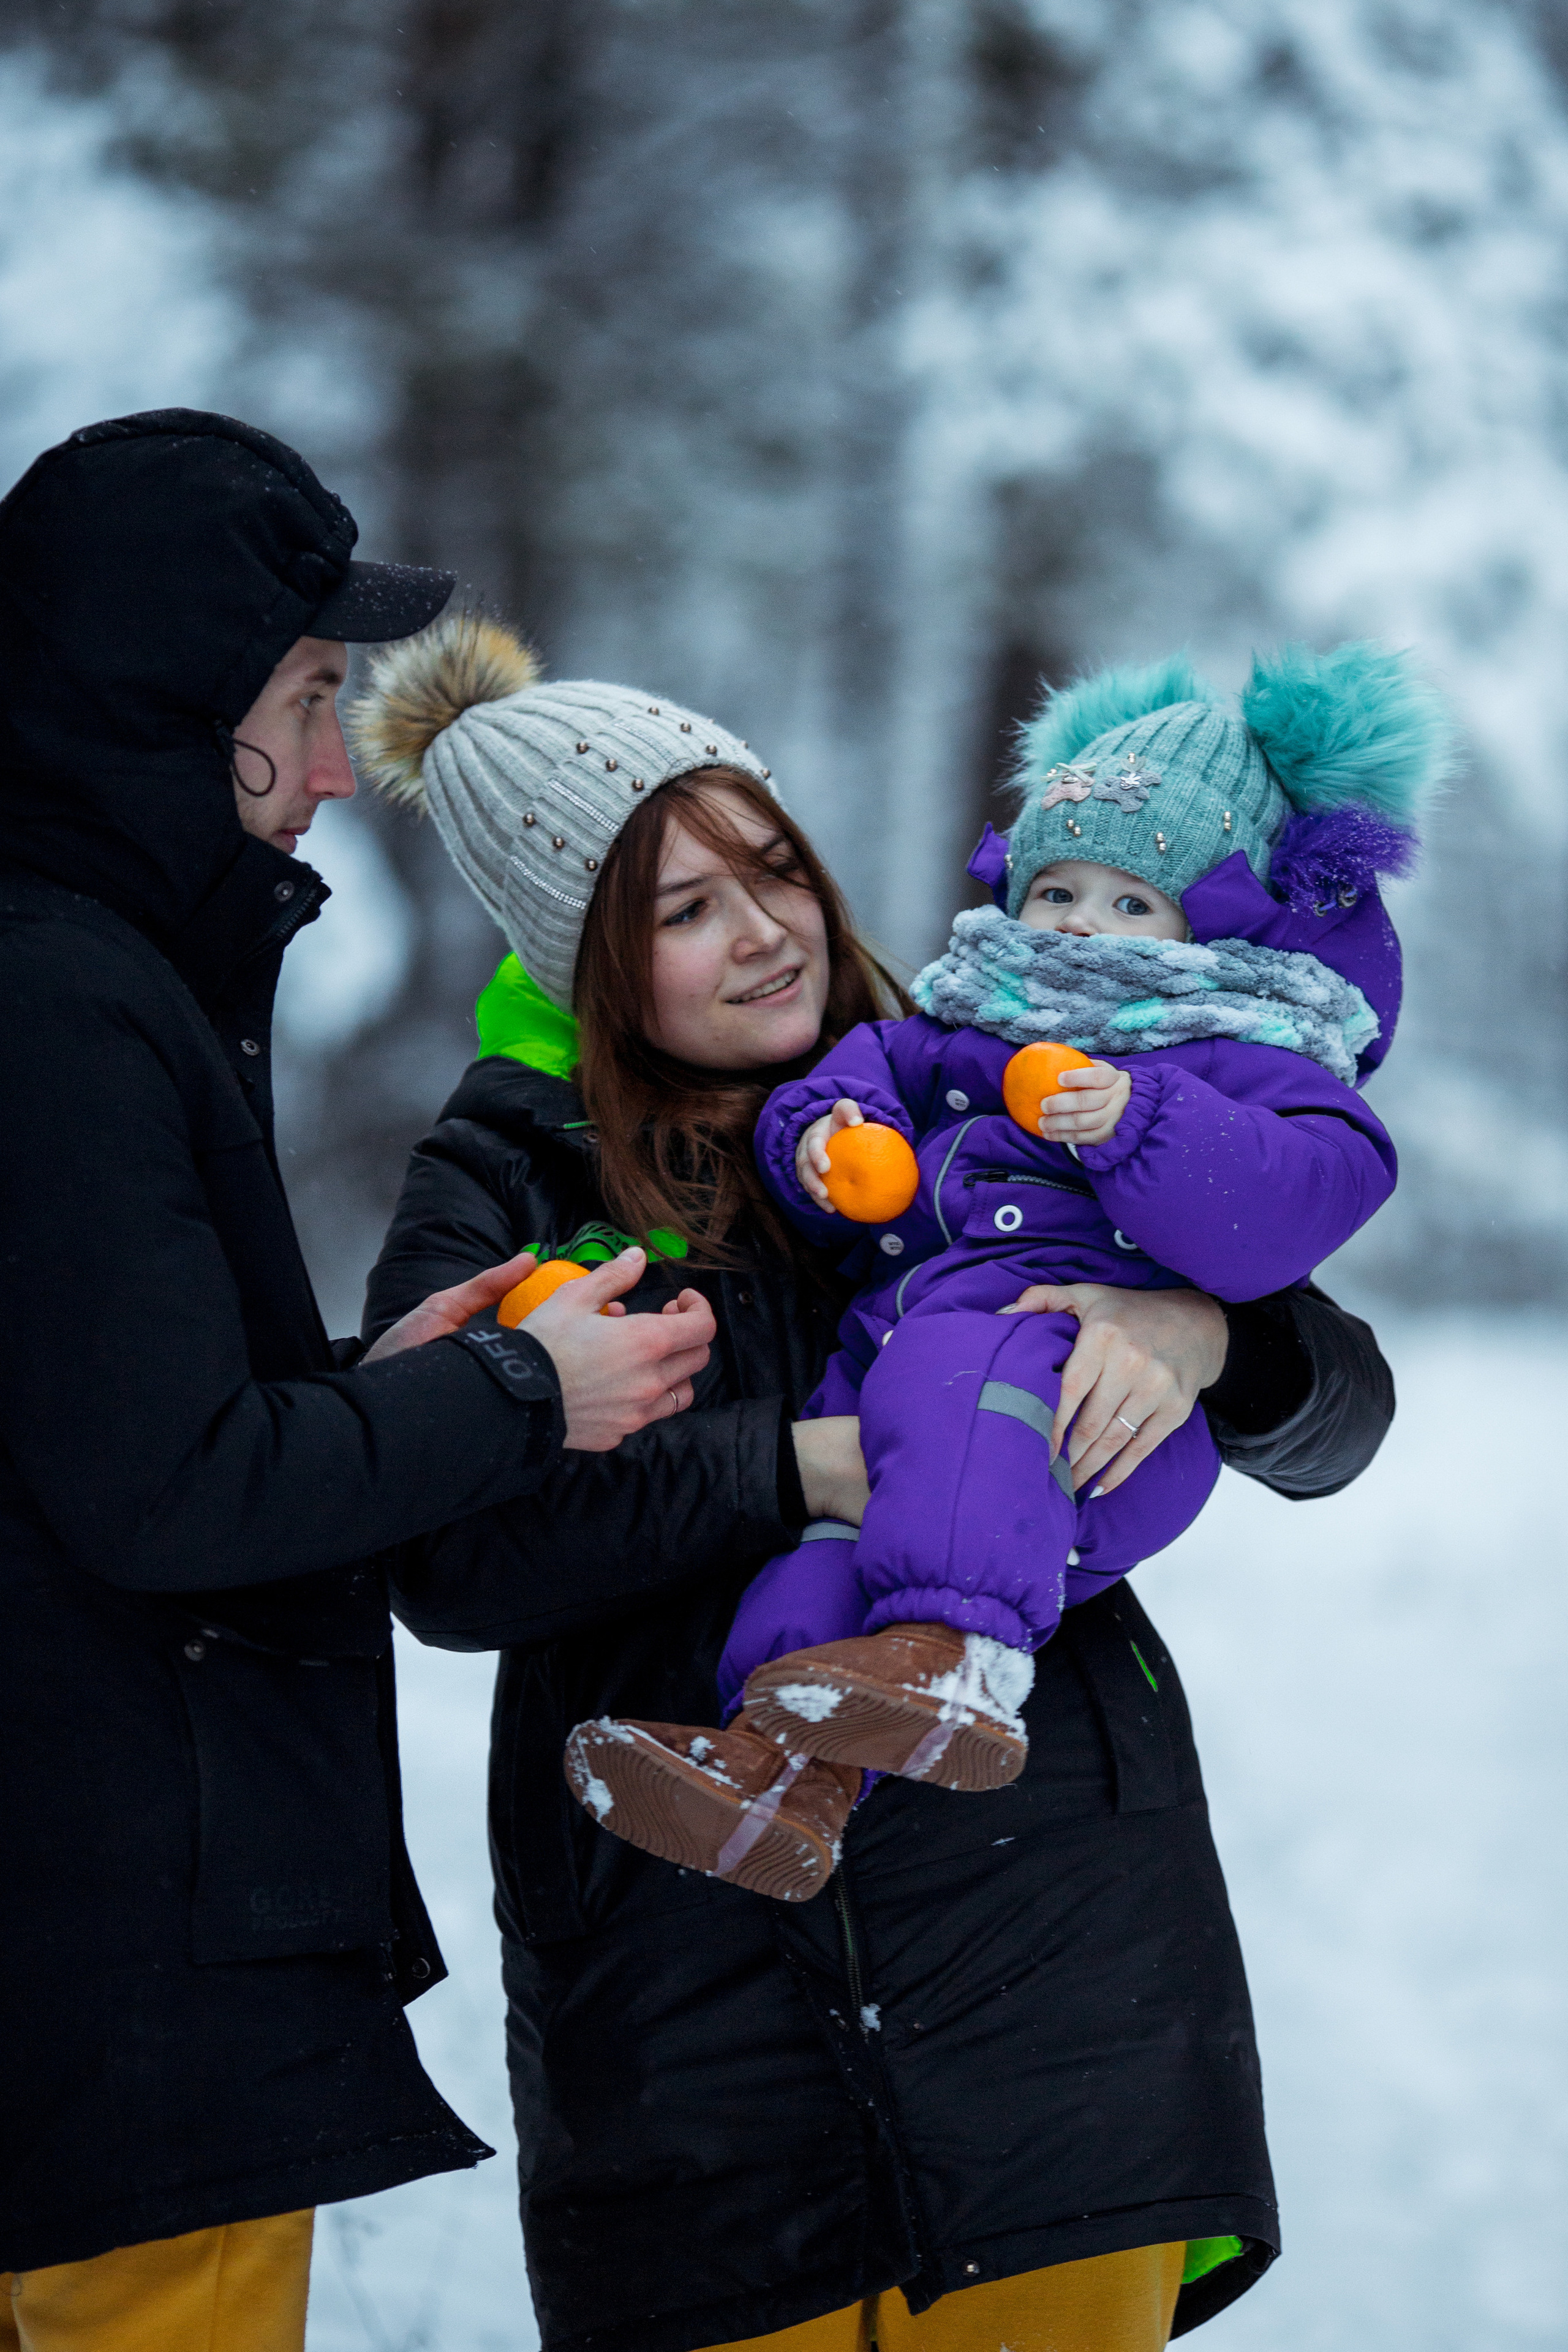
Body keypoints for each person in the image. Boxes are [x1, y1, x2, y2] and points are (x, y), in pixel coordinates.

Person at [353, 611, 1395, 2350]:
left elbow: (1340, 1413)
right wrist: (799, 1466)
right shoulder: (509, 1178)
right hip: (696, 2052)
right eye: (682, 911)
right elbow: (445, 1560)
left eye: (774, 869)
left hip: (1055, 1998)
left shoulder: (1001, 1061)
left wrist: (1212, 1330)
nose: (764, 932)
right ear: (586, 957)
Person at [0, 413, 713, 2351]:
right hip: (118, 2001)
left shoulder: (100, 972)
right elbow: (169, 1490)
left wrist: (375, 1379)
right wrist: (518, 1401)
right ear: (166, 700)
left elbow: (95, 1417)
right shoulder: (60, 1000)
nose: (335, 764)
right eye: (309, 696)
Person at [566, 643, 1445, 1896]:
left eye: (1130, 904)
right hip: (898, 1391)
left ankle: (960, 1658)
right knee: (822, 1557)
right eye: (1058, 891)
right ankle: (773, 1771)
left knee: (961, 1363)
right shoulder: (959, 1027)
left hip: (1074, 1416)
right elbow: (859, 1074)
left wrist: (1141, 1134)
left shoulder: (1227, 1050)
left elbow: (1304, 1194)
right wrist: (828, 1139)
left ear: (1208, 925)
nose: (1082, 927)